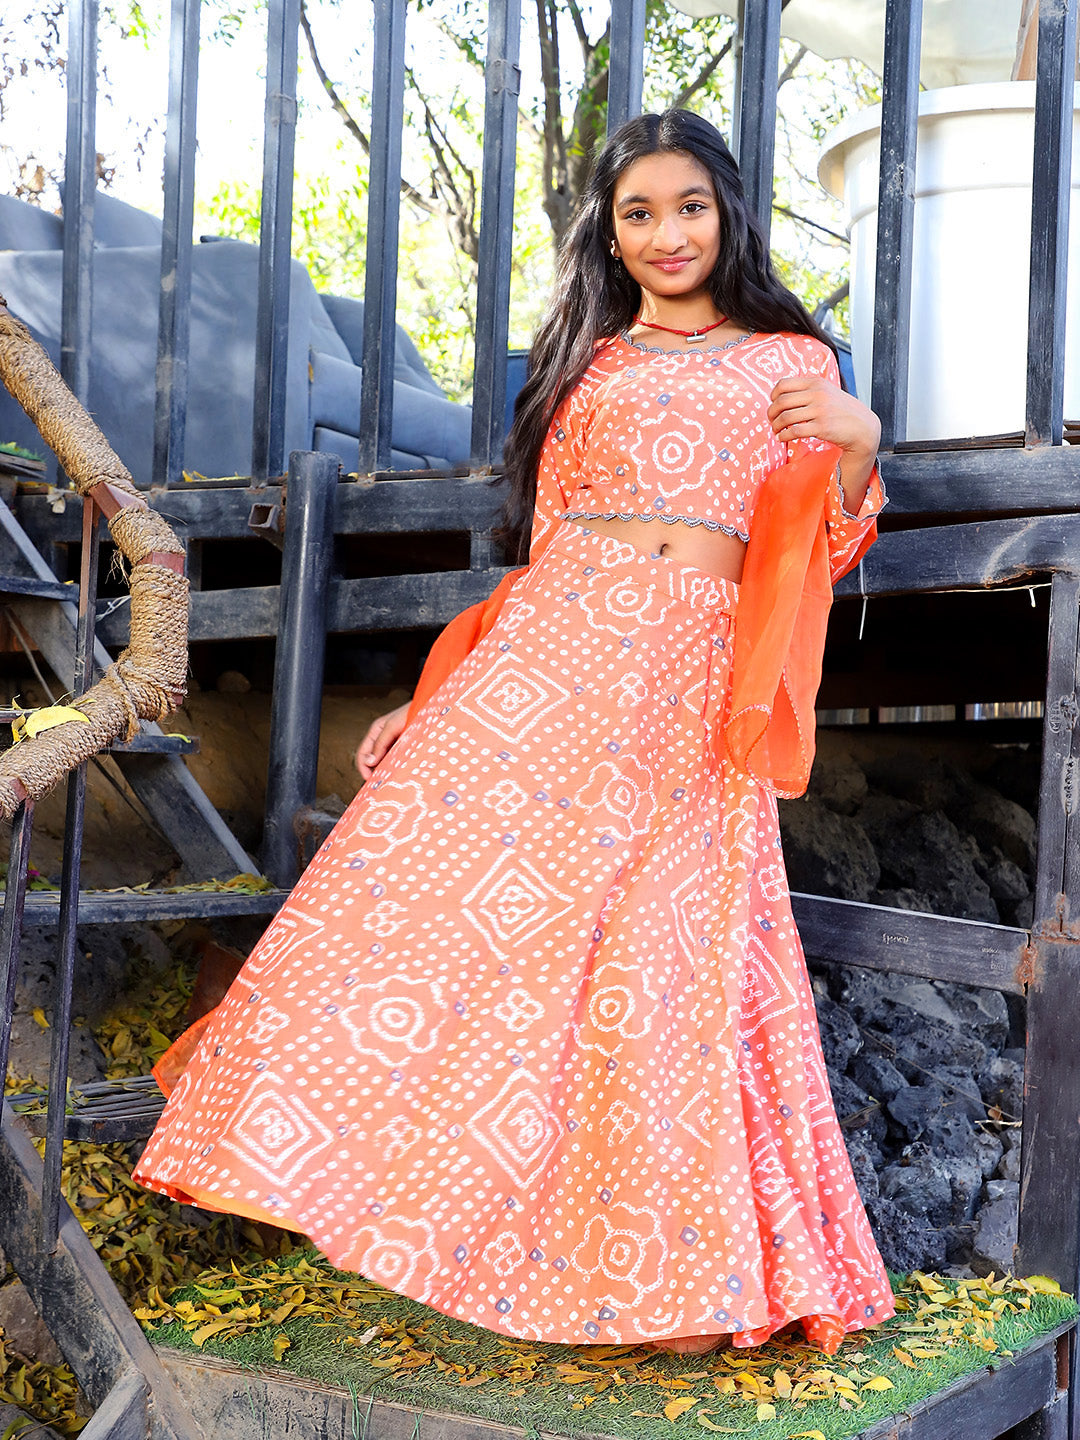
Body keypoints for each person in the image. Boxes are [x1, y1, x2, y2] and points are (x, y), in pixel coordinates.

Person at [135, 109, 895, 1355]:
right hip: (556, 656)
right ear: (608, 229)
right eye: (637, 212)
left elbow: (822, 535)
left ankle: (675, 1284)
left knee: (662, 960)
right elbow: (541, 559)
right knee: (441, 912)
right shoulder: (586, 367)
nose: (665, 234)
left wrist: (862, 449)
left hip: (693, 673)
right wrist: (433, 703)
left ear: (729, 213)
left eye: (689, 206)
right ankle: (489, 1235)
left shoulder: (787, 362)